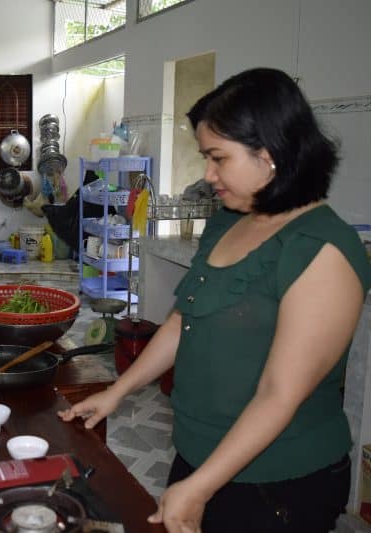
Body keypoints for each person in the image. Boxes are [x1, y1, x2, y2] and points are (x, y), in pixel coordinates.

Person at [59, 68, 371, 533]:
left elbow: (278, 395)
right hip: (199, 456)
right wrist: (116, 392)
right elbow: (184, 322)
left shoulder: (321, 250)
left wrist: (202, 486)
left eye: (218, 158)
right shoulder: (230, 221)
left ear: (270, 155)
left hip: (277, 481)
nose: (207, 175)